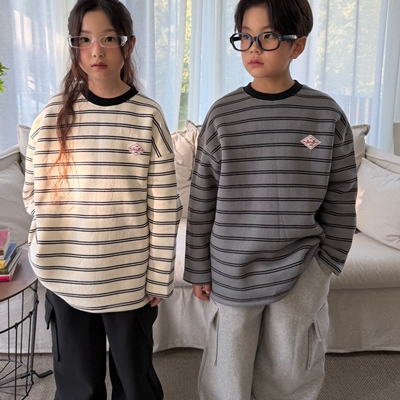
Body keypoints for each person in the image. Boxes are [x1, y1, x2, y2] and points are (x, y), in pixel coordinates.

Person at [184, 0, 357, 399]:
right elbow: (202, 197)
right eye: (245, 37)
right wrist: (198, 268)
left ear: (298, 44)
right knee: (228, 368)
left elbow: (342, 192)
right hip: (231, 269)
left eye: (268, 36)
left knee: (290, 366)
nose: (254, 48)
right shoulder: (223, 115)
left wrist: (328, 260)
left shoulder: (325, 114)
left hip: (303, 266)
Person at [23, 1, 182, 399]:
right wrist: (45, 243)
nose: (96, 50)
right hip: (66, 279)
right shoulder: (52, 116)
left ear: (128, 44)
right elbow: (32, 194)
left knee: (135, 384)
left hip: (130, 283)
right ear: (74, 46)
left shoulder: (147, 116)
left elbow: (164, 206)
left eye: (109, 38)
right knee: (78, 387)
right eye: (85, 39)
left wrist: (159, 275)